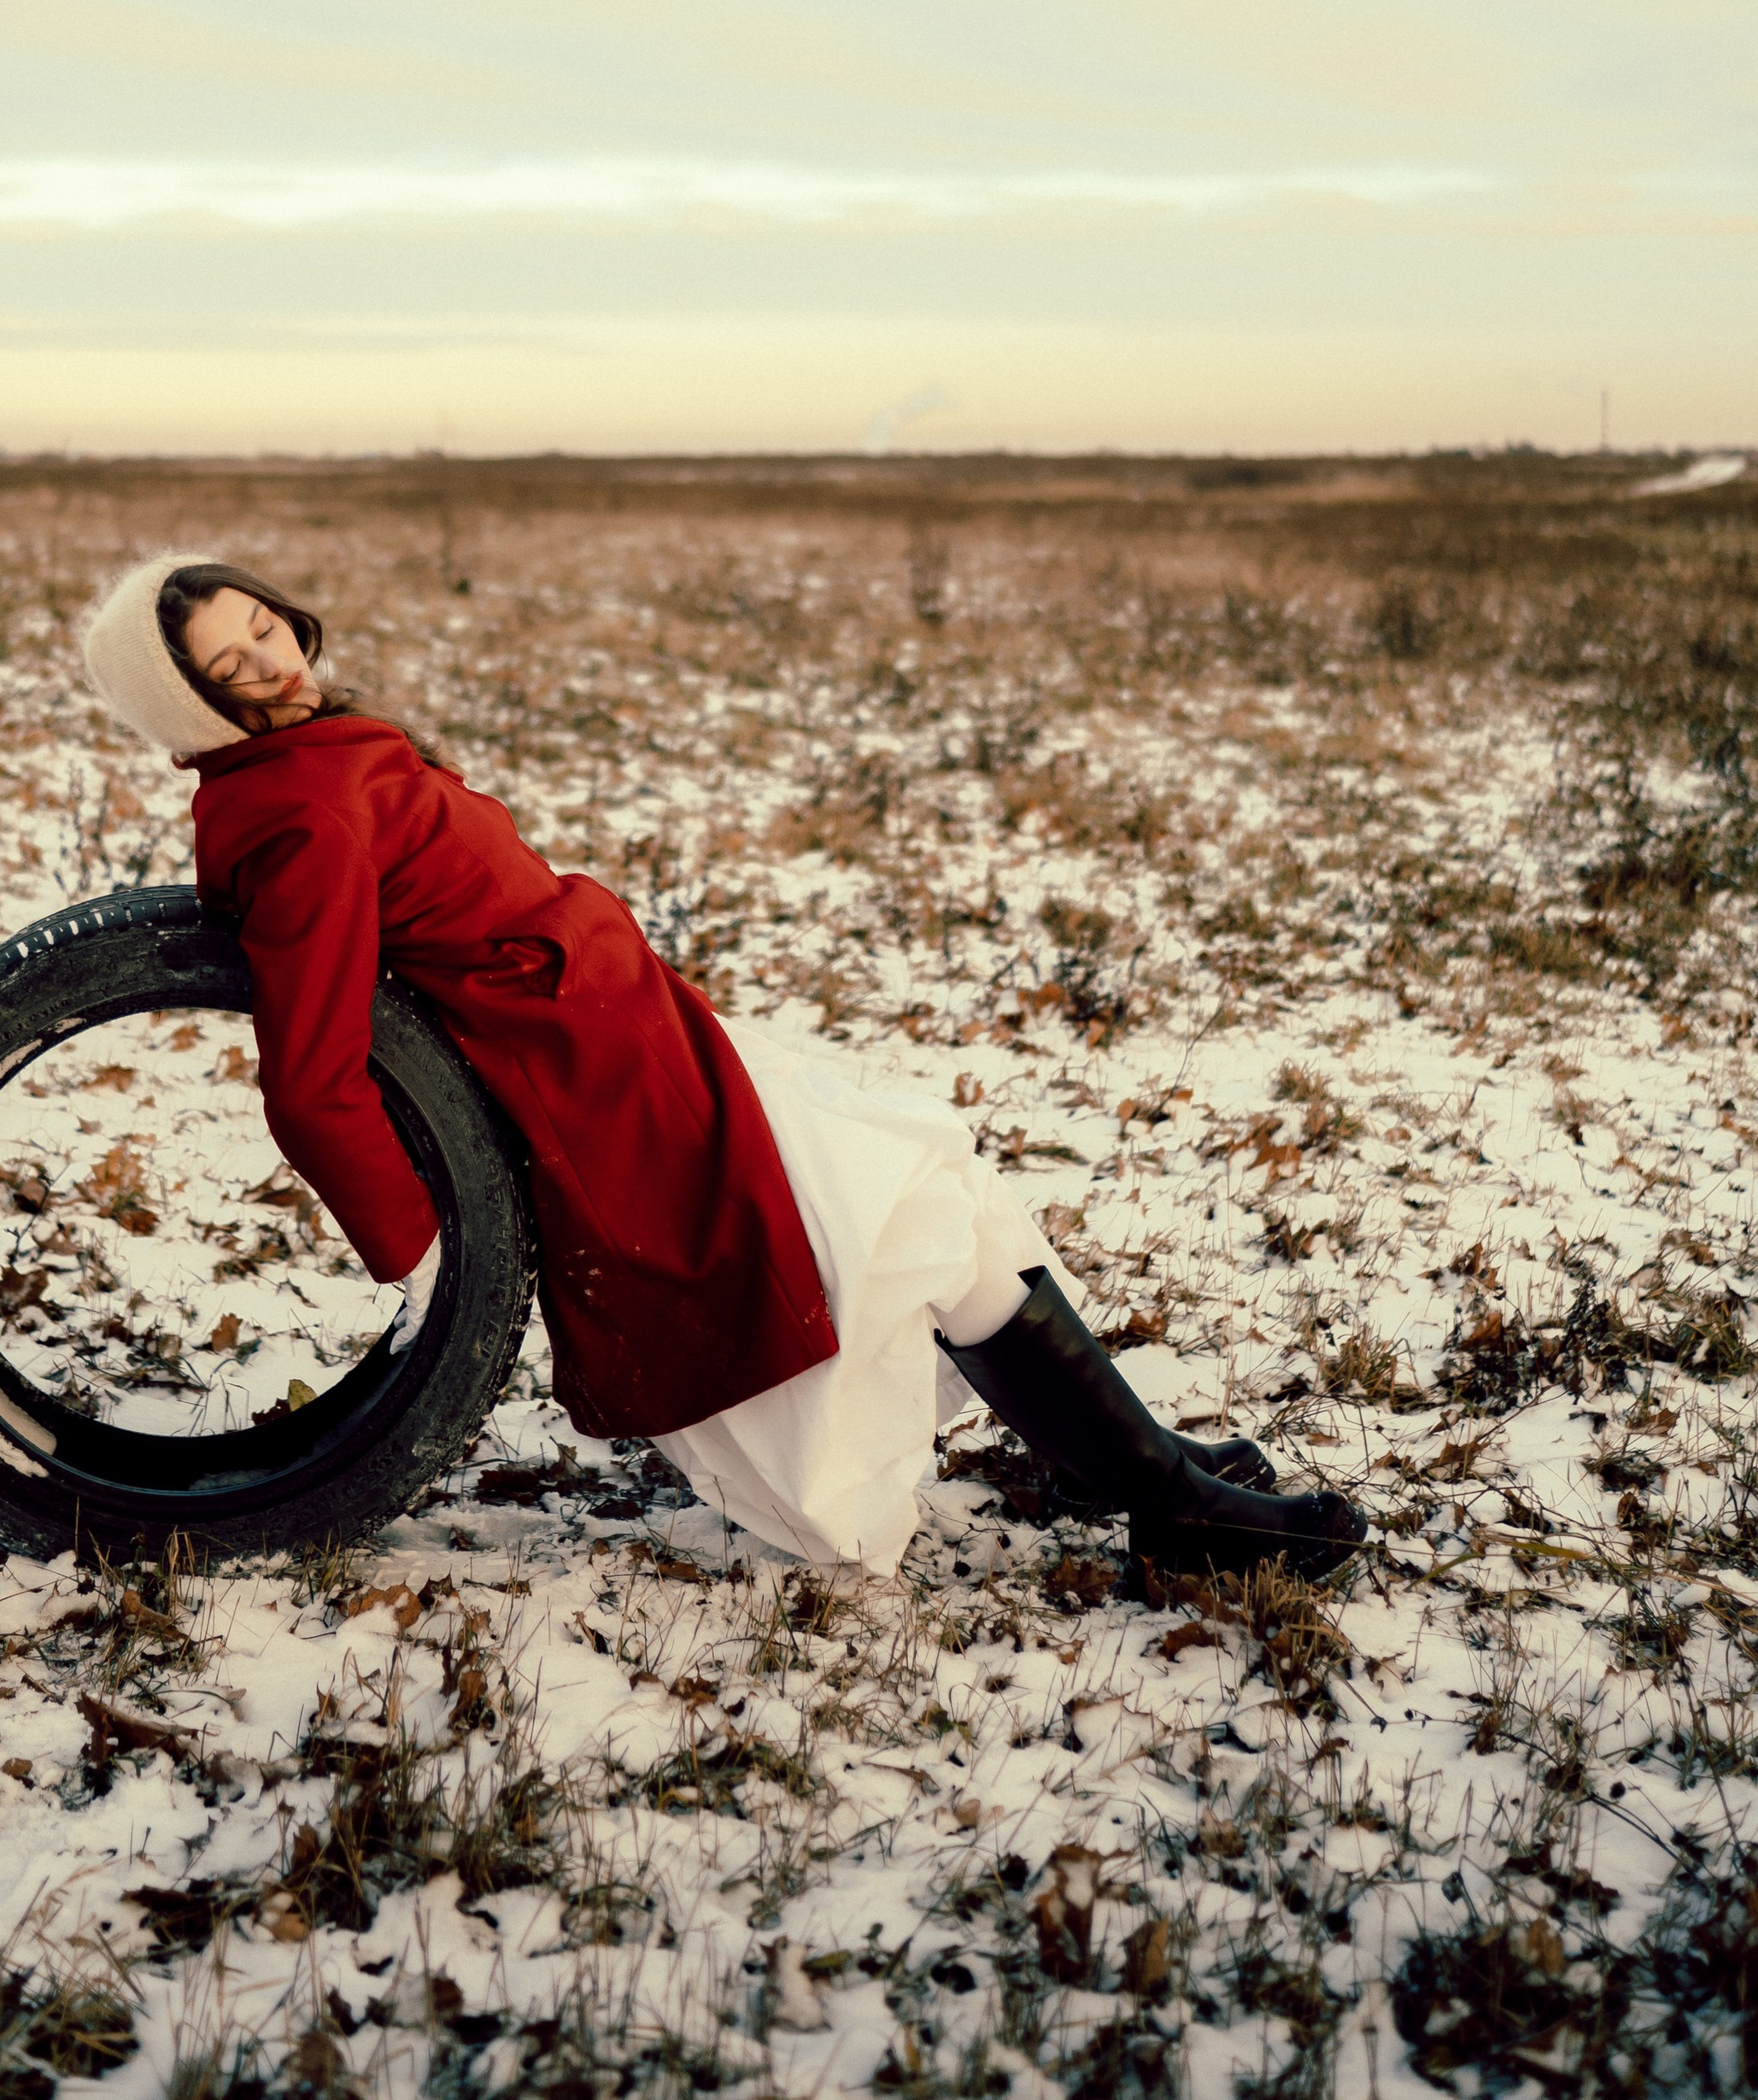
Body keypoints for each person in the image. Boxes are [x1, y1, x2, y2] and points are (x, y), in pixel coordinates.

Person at [80, 548, 1365, 1584]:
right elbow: (309, 1075)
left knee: (931, 1176)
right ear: (195, 707)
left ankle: (1124, 1465)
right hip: (598, 1079)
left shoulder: (310, 753)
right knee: (910, 1205)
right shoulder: (298, 811)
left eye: (261, 623)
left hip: (635, 1028)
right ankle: (1162, 1501)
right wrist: (431, 1258)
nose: (269, 657)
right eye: (229, 665)